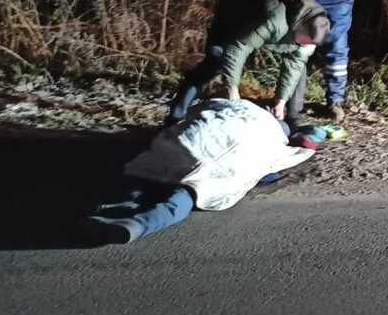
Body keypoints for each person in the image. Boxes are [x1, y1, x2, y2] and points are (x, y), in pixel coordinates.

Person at [87, 98, 330, 244]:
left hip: (196, 141)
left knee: (153, 174)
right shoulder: (277, 143)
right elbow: (271, 169)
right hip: (222, 164)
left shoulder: (246, 109)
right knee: (188, 193)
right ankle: (137, 224)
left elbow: (203, 108)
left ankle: (117, 206)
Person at [165, 0, 331, 126]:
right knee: (215, 59)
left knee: (297, 63)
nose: (304, 45)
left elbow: (294, 65)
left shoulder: (311, 32)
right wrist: (232, 89)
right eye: (304, 41)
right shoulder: (274, 21)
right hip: (235, 11)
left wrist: (281, 101)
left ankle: (290, 120)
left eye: (309, 44)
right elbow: (238, 48)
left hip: (263, 22)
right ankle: (175, 117)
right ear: (300, 26)